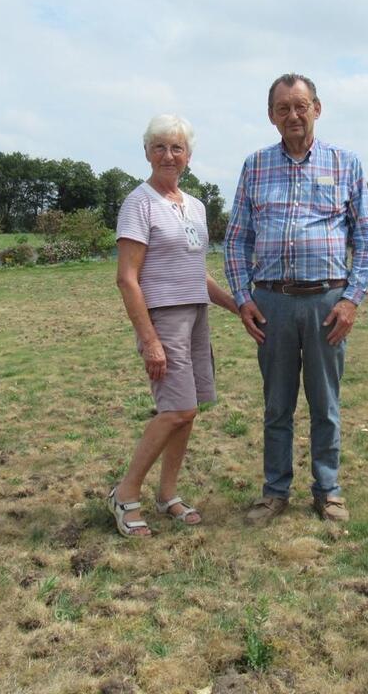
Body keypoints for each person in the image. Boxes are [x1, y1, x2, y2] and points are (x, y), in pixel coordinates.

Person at [224, 73, 368, 525]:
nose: (293, 115)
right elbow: (236, 240)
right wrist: (241, 297)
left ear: (317, 108)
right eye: (283, 108)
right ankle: (275, 492)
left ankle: (327, 490)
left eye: (301, 105)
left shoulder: (345, 163)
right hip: (270, 304)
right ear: (271, 117)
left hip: (327, 304)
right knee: (277, 405)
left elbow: (366, 239)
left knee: (325, 404)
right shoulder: (254, 166)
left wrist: (351, 300)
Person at [109, 114, 238, 537]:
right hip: (163, 318)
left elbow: (196, 274)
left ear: (188, 156)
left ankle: (167, 494)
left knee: (190, 411)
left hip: (196, 314)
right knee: (175, 409)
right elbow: (127, 277)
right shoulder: (139, 203)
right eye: (160, 147)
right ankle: (125, 493)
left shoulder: (195, 206)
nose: (168, 155)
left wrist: (237, 307)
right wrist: (149, 340)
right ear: (147, 153)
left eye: (176, 148)